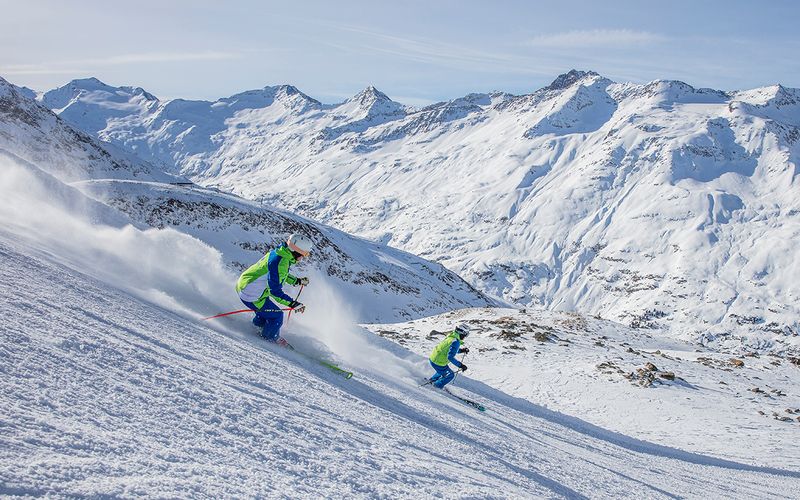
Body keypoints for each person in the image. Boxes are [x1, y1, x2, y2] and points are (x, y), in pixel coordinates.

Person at [236, 233, 312, 344]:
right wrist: (293, 304)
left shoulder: (280, 253)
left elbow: (277, 274)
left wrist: (297, 281)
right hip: (251, 293)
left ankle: (257, 328)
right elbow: (275, 291)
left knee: (266, 311)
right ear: (296, 252)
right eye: (304, 254)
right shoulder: (280, 263)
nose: (303, 257)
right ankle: (268, 340)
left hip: (245, 284)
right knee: (277, 316)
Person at [428, 324, 470, 389]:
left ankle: (431, 381)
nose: (465, 337)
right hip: (438, 362)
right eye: (466, 334)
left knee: (443, 371)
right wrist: (461, 365)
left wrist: (461, 350)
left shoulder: (451, 337)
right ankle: (436, 386)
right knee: (450, 375)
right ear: (462, 333)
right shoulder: (456, 342)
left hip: (434, 358)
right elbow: (450, 357)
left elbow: (448, 349)